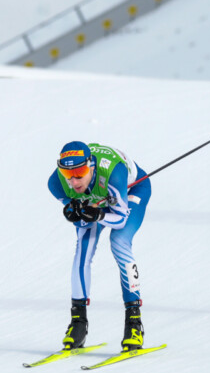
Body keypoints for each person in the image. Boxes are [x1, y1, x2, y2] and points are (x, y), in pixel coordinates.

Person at [48, 141, 152, 352]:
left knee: (119, 241)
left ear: (91, 166)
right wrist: (76, 213)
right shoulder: (56, 183)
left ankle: (134, 323)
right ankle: (78, 323)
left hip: (131, 189)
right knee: (83, 247)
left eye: (80, 171)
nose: (74, 180)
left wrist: (99, 214)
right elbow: (81, 221)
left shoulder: (114, 173)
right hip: (99, 198)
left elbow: (121, 219)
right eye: (68, 173)